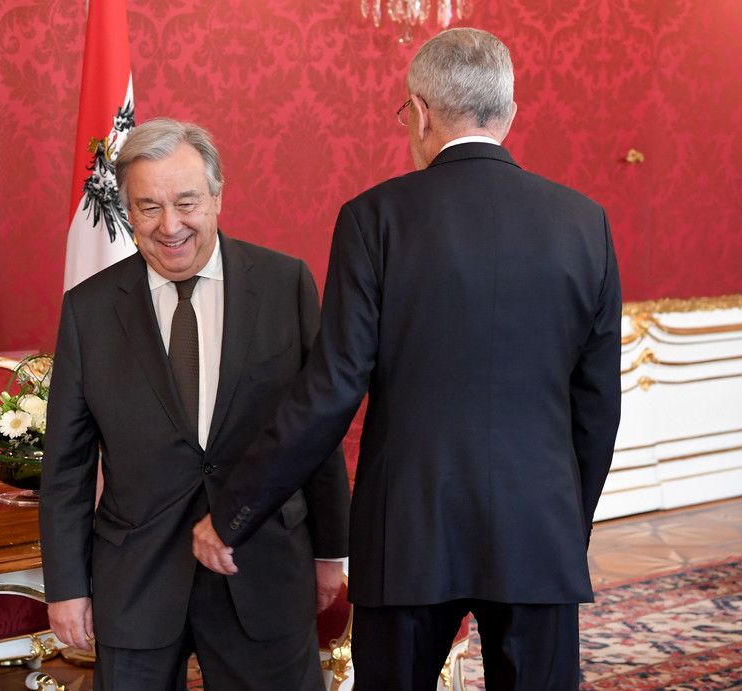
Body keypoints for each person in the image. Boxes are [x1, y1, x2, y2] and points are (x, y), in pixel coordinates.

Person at [193, 27, 622, 691]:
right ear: (508, 113)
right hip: (539, 530)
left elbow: (331, 390)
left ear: (420, 113)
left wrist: (236, 510)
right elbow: (597, 407)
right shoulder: (585, 222)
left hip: (409, 533)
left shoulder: (374, 218)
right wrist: (566, 522)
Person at [40, 117, 350, 691]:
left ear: (217, 197)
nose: (170, 225)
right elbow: (66, 466)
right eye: (148, 207)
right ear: (127, 212)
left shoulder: (284, 285)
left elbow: (316, 432)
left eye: (186, 203)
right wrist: (66, 586)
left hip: (262, 564)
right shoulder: (89, 309)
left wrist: (332, 550)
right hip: (136, 579)